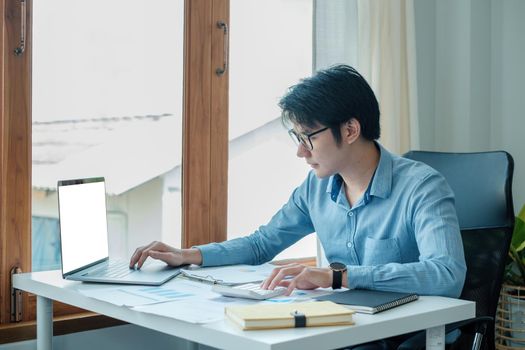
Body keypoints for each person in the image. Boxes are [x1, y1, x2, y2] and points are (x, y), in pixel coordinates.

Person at [130, 65, 466, 349]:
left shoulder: (422, 187)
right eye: (297, 138)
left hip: (405, 336)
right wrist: (189, 255)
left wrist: (339, 277)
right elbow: (263, 243)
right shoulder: (316, 187)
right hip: (344, 332)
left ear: (350, 130)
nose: (301, 151)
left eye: (309, 137)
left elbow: (447, 274)